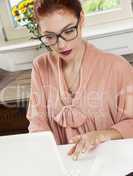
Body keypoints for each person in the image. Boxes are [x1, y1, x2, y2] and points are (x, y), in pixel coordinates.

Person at [26, 0, 133, 160]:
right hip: (64, 170)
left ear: (81, 19)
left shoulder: (117, 67)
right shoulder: (40, 66)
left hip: (113, 170)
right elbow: (37, 122)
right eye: (50, 36)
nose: (61, 44)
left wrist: (102, 135)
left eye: (69, 31)